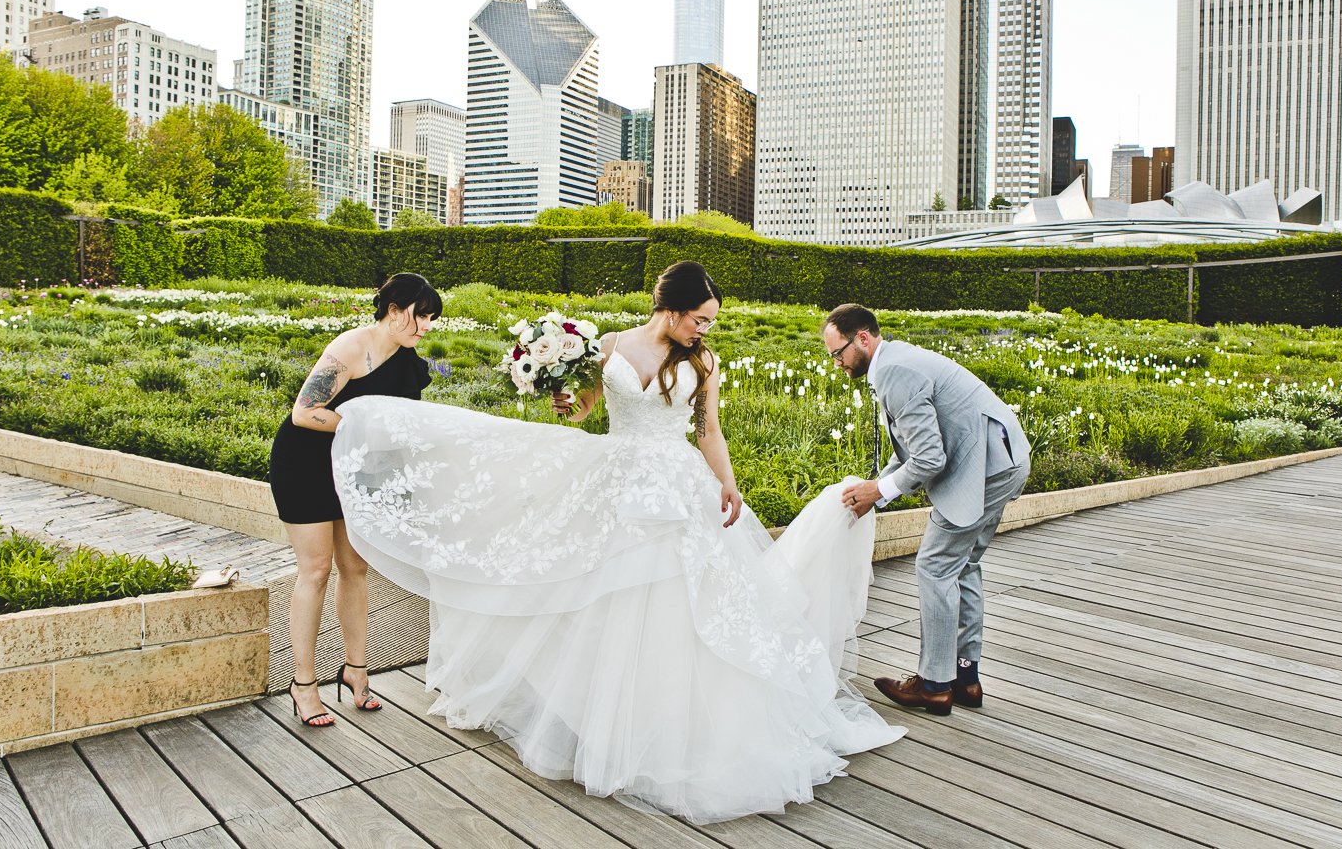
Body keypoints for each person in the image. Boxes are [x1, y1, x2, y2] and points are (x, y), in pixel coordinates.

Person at [330, 261, 903, 823]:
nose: (706, 329)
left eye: (711, 321)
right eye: (700, 319)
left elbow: (708, 430)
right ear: (672, 310)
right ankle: (601, 721)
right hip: (617, 480)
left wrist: (727, 484)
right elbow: (584, 410)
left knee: (687, 604)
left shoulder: (704, 360)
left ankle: (673, 727)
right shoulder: (608, 346)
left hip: (677, 490)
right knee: (600, 597)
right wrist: (562, 399)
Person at [823, 303, 1031, 715]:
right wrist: (876, 493)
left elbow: (930, 460)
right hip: (1003, 459)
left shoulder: (894, 372)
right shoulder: (897, 362)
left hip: (984, 469)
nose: (837, 364)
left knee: (934, 567)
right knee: (962, 566)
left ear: (862, 338)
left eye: (838, 353)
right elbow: (915, 449)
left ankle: (935, 685)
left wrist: (878, 492)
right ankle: (966, 678)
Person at [269, 272, 441, 727]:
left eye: (430, 320)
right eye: (420, 316)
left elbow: (402, 426)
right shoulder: (350, 348)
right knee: (316, 570)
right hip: (304, 465)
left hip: (355, 468)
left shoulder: (407, 359)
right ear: (393, 310)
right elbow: (304, 414)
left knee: (356, 567)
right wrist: (361, 427)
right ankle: (303, 684)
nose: (426, 326)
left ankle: (356, 672)